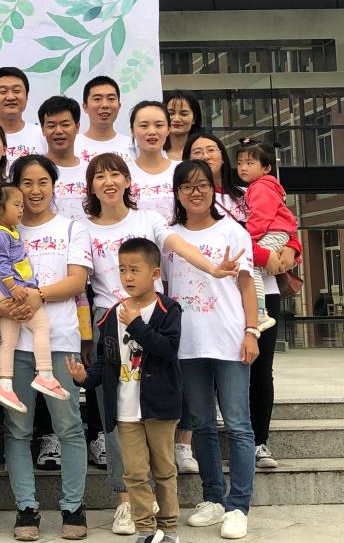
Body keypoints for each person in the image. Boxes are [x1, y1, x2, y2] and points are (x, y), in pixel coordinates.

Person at [80, 151, 241, 535]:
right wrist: (87, 334)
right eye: (99, 176)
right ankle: (126, 504)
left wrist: (213, 268)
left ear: (127, 181)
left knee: (153, 416)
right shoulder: (81, 227)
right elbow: (77, 281)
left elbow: (179, 246)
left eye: (115, 174)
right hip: (109, 318)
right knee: (117, 415)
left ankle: (159, 510)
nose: (108, 182)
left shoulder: (148, 219)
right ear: (91, 187)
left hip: (149, 316)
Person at [186, 132, 300, 471]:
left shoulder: (247, 192)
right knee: (220, 367)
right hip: (217, 296)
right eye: (197, 151)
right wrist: (264, 255)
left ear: (222, 157)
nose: (206, 155)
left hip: (263, 290)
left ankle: (259, 441)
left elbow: (286, 226)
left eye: (211, 149)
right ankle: (222, 439)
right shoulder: (192, 199)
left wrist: (292, 250)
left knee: (261, 369)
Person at [0, 155, 90, 542]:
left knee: (69, 427)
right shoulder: (2, 230)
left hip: (60, 341)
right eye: (26, 183)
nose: (35, 191)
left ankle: (73, 506)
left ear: (54, 186)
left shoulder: (71, 228)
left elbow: (77, 282)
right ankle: (26, 508)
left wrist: (38, 296)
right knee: (18, 429)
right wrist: (2, 307)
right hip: (15, 346)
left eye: (42, 183)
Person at [165, 160, 258, 540]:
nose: (196, 192)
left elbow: (247, 285)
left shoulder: (233, 231)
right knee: (201, 424)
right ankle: (213, 499)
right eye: (187, 186)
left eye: (202, 184)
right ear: (177, 193)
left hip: (230, 340)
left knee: (237, 425)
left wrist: (251, 331)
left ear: (213, 189)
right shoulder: (169, 237)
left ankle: (238, 506)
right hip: (187, 345)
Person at [67, 238, 183, 543]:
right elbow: (105, 362)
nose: (127, 277)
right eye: (122, 270)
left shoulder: (168, 309)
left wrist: (136, 326)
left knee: (164, 470)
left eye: (134, 269)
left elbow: (168, 349)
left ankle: (169, 529)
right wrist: (84, 378)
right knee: (133, 472)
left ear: (155, 273)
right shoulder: (112, 314)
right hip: (125, 410)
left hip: (160, 407)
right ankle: (146, 529)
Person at [0, 183, 69, 412]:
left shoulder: (8, 231)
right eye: (17, 205)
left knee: (8, 341)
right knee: (41, 326)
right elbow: (0, 263)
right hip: (11, 290)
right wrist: (13, 287)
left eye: (22, 205)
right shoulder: (0, 234)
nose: (22, 209)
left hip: (5, 292)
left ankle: (5, 385)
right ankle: (45, 374)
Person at [236, 140, 296, 332]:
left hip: (273, 232)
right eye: (239, 163)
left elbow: (260, 217)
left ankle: (260, 313)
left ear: (266, 168)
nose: (243, 167)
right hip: (278, 233)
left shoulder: (260, 187)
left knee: (250, 267)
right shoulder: (264, 186)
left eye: (250, 163)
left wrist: (249, 239)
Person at [38, 96, 88, 221]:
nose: (59, 131)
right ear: (43, 129)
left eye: (65, 125)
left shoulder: (91, 171)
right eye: (51, 126)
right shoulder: (33, 170)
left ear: (77, 127)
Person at [128, 101, 178, 224]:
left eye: (159, 125)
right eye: (144, 125)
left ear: (168, 129)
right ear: (132, 131)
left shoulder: (181, 170)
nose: (152, 131)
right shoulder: (123, 173)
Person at [0, 66, 46, 160]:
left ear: (26, 97)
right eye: (3, 92)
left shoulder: (43, 135)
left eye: (17, 91)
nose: (11, 97)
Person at [74, 76, 135, 165]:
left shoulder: (133, 146)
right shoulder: (72, 145)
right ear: (85, 107)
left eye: (111, 99)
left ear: (119, 106)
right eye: (97, 99)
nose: (105, 105)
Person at [164, 90, 202, 161]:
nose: (176, 119)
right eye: (171, 113)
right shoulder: (154, 152)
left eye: (183, 114)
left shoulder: (203, 154)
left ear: (194, 119)